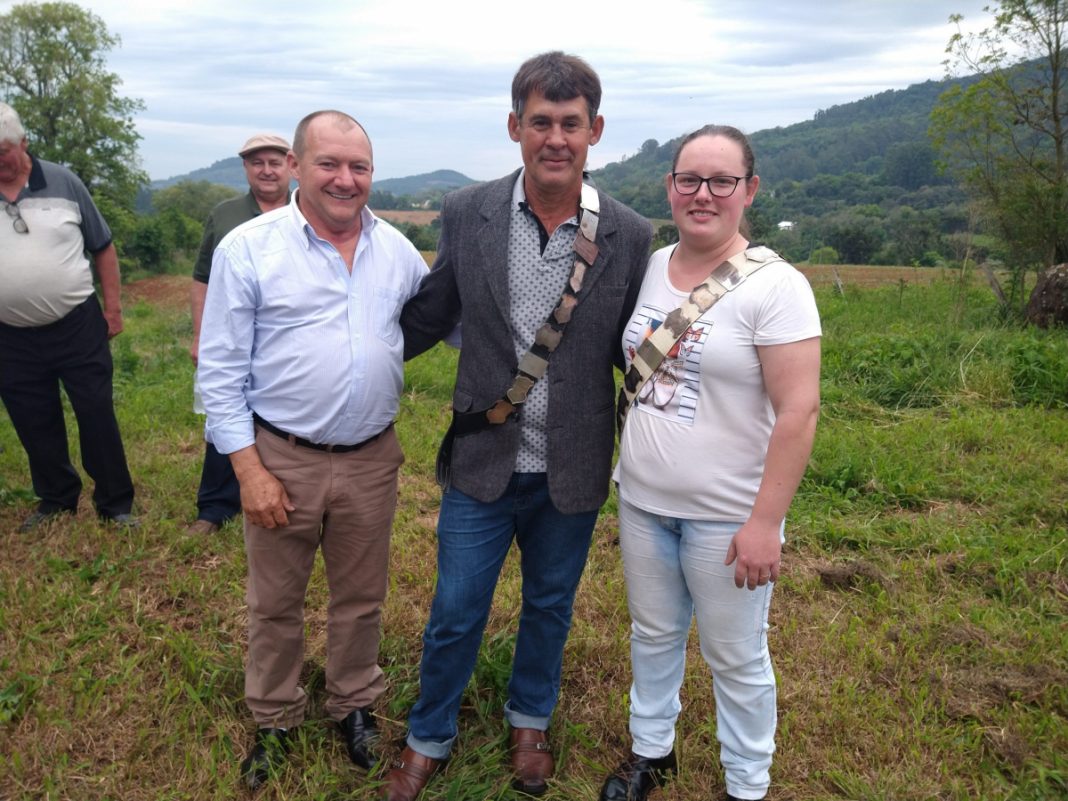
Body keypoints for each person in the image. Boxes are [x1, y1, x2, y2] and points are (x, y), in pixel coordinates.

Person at [384, 52, 653, 801]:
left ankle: (529, 721)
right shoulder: (467, 210)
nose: (555, 138)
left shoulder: (629, 233)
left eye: (571, 123)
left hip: (572, 463)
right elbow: (434, 308)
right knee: (455, 609)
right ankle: (428, 734)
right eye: (540, 122)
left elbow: (633, 344)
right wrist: (354, 348)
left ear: (595, 130)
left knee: (549, 605)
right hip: (483, 454)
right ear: (514, 127)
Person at [197, 110, 426, 793]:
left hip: (371, 457)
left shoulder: (398, 251)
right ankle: (274, 714)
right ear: (296, 166)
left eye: (359, 167)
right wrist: (248, 470)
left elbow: (452, 324)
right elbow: (219, 371)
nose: (345, 179)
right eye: (329, 163)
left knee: (361, 595)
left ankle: (353, 701)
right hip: (282, 456)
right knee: (275, 599)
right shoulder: (249, 248)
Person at [598, 125, 821, 801]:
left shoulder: (776, 287)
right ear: (669, 187)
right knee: (653, 633)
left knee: (735, 654)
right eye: (689, 179)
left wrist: (765, 523)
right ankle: (651, 751)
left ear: (749, 190)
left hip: (727, 514)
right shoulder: (650, 265)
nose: (703, 194)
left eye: (722, 181)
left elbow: (798, 410)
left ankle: (747, 784)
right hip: (642, 500)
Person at [0, 101, 137, 532]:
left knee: (96, 412)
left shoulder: (63, 181)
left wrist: (113, 309)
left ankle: (115, 503)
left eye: (2, 152)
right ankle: (57, 498)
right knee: (32, 418)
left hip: (77, 324)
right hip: (10, 335)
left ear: (23, 143)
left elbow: (103, 246)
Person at [187, 133, 291, 535]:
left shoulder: (306, 213)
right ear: (246, 168)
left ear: (291, 167)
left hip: (281, 339)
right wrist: (201, 335)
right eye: (256, 163)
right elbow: (203, 279)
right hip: (232, 333)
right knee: (224, 412)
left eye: (274, 163)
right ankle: (214, 508)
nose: (266, 171)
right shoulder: (225, 214)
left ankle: (278, 489)